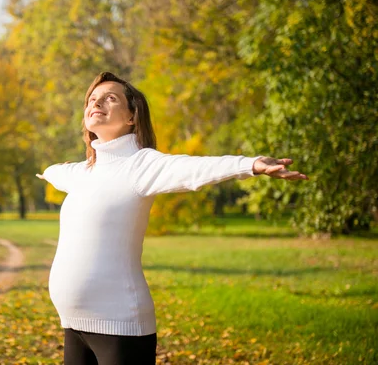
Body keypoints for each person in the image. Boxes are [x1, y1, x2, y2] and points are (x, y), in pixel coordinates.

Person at [35, 71, 308, 365]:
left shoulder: (141, 165)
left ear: (131, 117)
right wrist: (49, 172)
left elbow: (194, 169)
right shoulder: (82, 172)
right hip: (73, 325)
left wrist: (251, 164)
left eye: (109, 98)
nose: (96, 103)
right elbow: (57, 172)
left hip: (120, 327)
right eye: (92, 99)